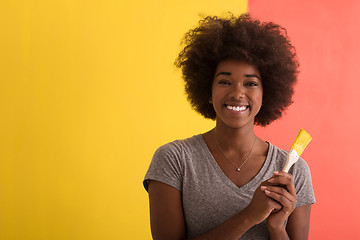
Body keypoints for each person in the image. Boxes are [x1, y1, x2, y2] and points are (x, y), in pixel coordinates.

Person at [143, 14, 315, 240]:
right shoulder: (174, 160)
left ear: (267, 93)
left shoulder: (294, 171)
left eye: (251, 83)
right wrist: (250, 216)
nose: (237, 93)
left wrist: (277, 227)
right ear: (208, 90)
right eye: (224, 81)